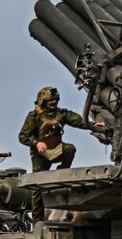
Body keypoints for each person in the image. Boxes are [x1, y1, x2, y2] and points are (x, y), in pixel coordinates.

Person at [18, 87, 102, 217]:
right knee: (37, 186)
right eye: (50, 100)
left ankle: (61, 171)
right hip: (41, 154)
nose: (53, 102)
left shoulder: (61, 114)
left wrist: (93, 125)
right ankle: (37, 220)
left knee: (70, 149)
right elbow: (23, 136)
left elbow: (78, 121)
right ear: (42, 101)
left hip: (57, 149)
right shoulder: (34, 116)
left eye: (55, 100)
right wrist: (36, 143)